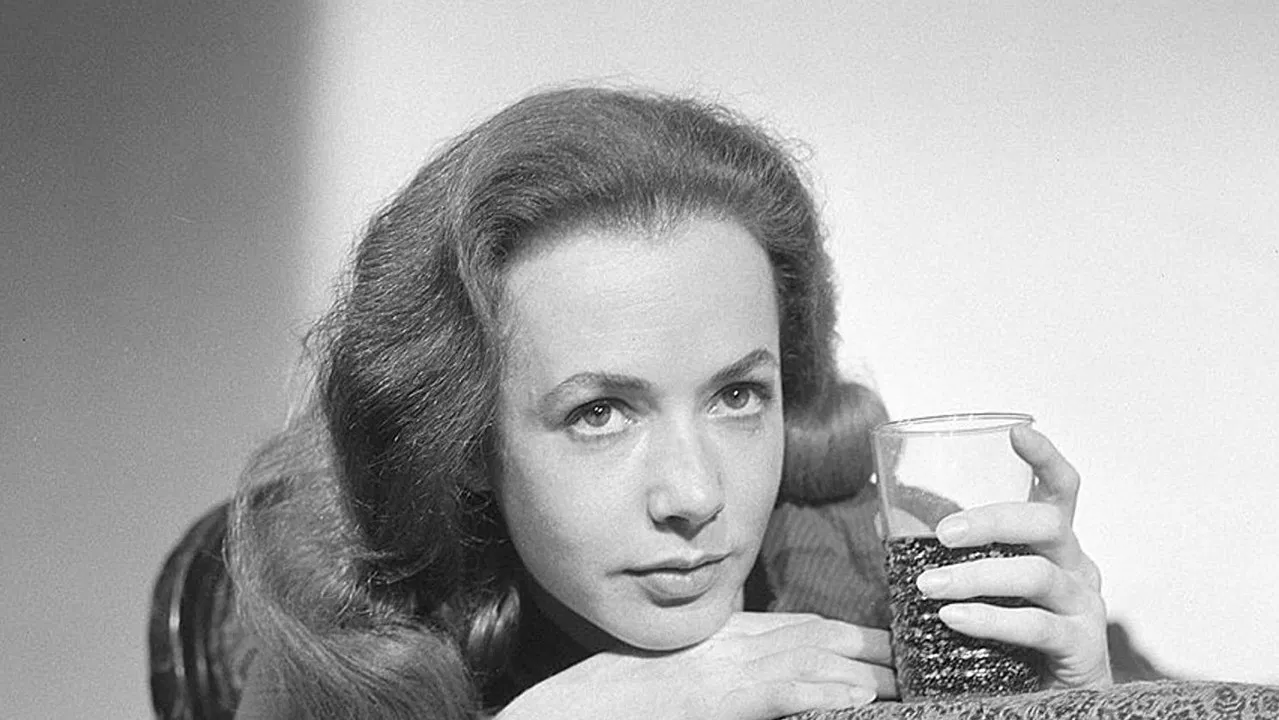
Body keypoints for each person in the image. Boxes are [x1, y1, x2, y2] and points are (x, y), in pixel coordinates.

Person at [228, 86, 1112, 720]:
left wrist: (1088, 703)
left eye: (737, 396)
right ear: (463, 444)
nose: (692, 496)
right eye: (599, 414)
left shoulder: (901, 574)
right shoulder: (353, 640)